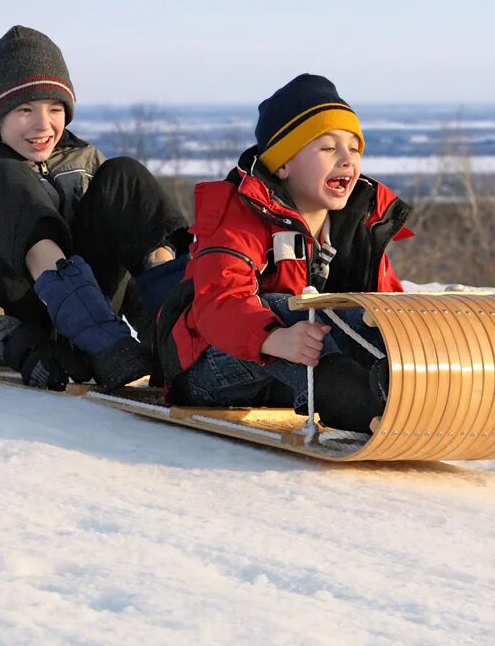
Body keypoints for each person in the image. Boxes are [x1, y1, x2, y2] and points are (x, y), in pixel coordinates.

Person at [0, 26, 191, 390]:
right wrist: (17, 346)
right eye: (26, 110)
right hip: (33, 334)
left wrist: (155, 341)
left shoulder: (87, 163)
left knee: (126, 176)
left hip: (105, 329)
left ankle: (181, 333)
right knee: (5, 181)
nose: (43, 125)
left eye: (55, 108)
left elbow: (129, 264)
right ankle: (98, 340)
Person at [155, 74, 412, 432]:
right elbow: (219, 302)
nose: (346, 159)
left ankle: (411, 395)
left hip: (298, 366)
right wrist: (274, 339)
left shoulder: (357, 224)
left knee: (368, 316)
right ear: (283, 165)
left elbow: (386, 306)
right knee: (291, 309)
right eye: (327, 148)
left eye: (354, 148)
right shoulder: (240, 214)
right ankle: (367, 408)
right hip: (212, 365)